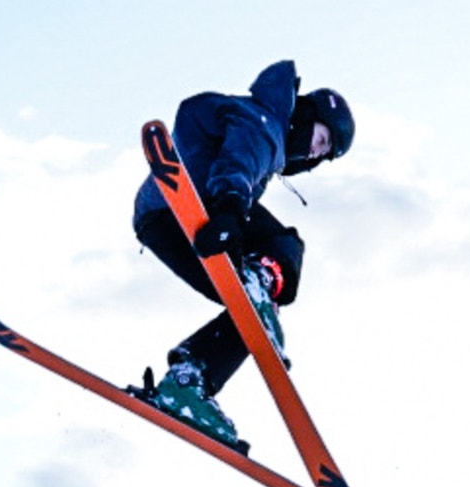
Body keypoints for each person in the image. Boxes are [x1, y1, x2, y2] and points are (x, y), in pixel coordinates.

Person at [131, 60, 355, 447]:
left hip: (165, 221)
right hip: (192, 208)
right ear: (305, 116)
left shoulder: (268, 135)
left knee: (249, 313)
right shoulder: (266, 120)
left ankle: (188, 382)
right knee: (284, 246)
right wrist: (231, 207)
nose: (315, 154)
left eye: (322, 155)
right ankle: (260, 279)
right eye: (320, 140)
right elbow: (241, 157)